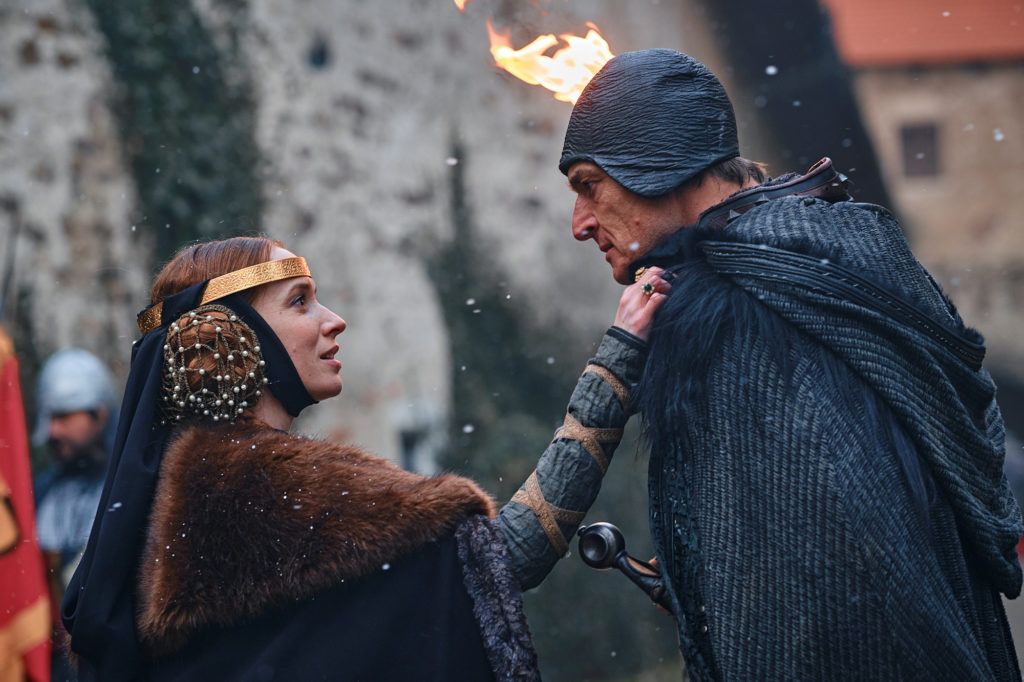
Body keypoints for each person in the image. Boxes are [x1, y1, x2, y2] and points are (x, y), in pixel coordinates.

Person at [553, 49, 1022, 680]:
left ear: (663, 163)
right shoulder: (834, 262)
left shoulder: (744, 321)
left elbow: (829, 576)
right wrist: (711, 573)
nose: (580, 224)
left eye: (590, 186)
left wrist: (737, 596)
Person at [60, 236, 668, 681]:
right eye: (300, 302)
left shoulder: (176, 488)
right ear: (232, 337)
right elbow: (502, 556)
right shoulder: (258, 485)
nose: (334, 321)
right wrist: (612, 373)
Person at [32, 348, 118, 680]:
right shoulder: (41, 493)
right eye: (49, 418)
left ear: (99, 413)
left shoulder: (128, 487)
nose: (53, 431)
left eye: (64, 416)